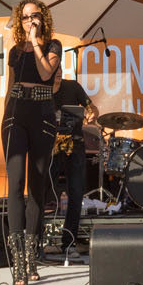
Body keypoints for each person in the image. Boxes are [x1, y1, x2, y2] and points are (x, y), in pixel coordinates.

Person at [2, 0, 62, 285]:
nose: (29, 21)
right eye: (24, 17)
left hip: (43, 114)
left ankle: (31, 256)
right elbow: (9, 86)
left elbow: (46, 73)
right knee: (14, 185)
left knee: (35, 187)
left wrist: (36, 41)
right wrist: (3, 119)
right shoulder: (13, 51)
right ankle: (17, 263)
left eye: (34, 16)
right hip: (15, 114)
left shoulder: (53, 46)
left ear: (43, 18)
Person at [50, 74, 101, 258]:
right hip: (50, 146)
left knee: (76, 192)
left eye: (59, 65)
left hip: (75, 145)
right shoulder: (42, 89)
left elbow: (91, 107)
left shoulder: (73, 87)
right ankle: (37, 240)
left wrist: (92, 113)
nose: (57, 71)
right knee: (43, 191)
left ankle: (68, 242)